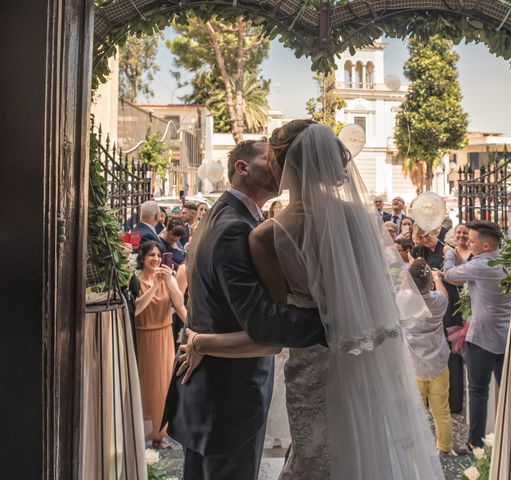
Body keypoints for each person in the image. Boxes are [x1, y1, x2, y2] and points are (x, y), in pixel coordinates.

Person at [177, 121, 444, 479]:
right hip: (364, 359)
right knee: (367, 450)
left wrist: (203, 342)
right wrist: (357, 322)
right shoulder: (359, 218)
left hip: (312, 365)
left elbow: (276, 320)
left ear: (283, 165)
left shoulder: (266, 235)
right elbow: (377, 291)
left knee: (317, 456)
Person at [163, 137, 327, 480]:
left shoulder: (223, 218)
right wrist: (334, 320)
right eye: (270, 160)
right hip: (227, 401)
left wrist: (198, 341)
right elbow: (264, 324)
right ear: (242, 168)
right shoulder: (234, 228)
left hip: (212, 390)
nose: (278, 167)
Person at [442, 220, 511, 450]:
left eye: (472, 241)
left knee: (478, 392)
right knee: (510, 391)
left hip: (482, 338)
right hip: (507, 337)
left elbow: (450, 275)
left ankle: (475, 443)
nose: (469, 244)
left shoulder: (481, 265)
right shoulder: (504, 260)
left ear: (485, 246)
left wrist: (448, 255)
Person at [129, 240, 187, 449]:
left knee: (163, 385)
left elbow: (179, 303)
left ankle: (159, 434)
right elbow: (136, 309)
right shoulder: (135, 280)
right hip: (143, 336)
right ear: (142, 258)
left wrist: (169, 281)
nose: (154, 259)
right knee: (144, 385)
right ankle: (140, 432)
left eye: (158, 255)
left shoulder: (168, 277)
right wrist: (154, 285)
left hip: (164, 336)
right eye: (151, 255)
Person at [412, 225, 465, 413]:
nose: (424, 240)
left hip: (448, 299)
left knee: (451, 348)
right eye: (420, 237)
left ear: (434, 231)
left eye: (427, 235)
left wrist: (440, 276)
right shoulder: (417, 251)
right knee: (431, 347)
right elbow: (413, 280)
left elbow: (460, 277)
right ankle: (429, 400)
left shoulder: (448, 249)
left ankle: (454, 400)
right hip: (429, 304)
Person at [404, 257, 453, 455]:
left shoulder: (403, 301)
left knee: (416, 411)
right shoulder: (438, 301)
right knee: (441, 409)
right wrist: (437, 278)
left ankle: (416, 448)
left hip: (414, 366)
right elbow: (444, 293)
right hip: (438, 364)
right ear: (429, 283)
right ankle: (445, 446)